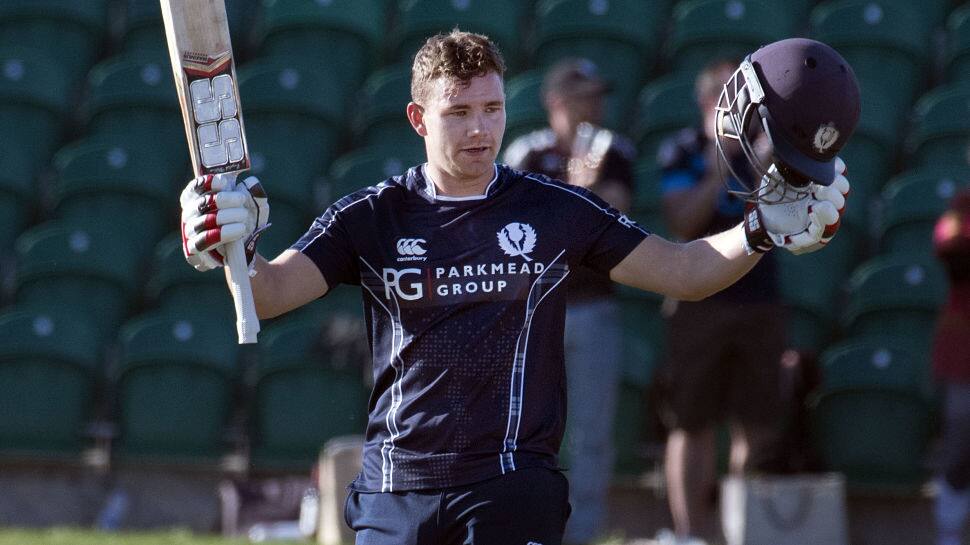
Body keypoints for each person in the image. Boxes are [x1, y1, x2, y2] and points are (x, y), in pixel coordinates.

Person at [177, 32, 858, 545]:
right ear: (419, 119)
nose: (480, 128)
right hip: (394, 490)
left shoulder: (554, 208)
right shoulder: (371, 215)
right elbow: (267, 293)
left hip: (511, 486)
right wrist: (225, 243)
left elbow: (682, 269)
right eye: (459, 112)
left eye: (493, 108)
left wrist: (758, 231)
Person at [651, 58, 786, 545]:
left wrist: (765, 162)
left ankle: (742, 532)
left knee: (757, 422)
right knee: (691, 421)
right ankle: (690, 534)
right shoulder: (682, 151)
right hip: (699, 301)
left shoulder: (768, 150)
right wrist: (715, 168)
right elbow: (682, 222)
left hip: (758, 299)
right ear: (711, 104)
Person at [501, 58, 636, 545]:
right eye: (585, 97)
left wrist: (585, 192)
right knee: (525, 427)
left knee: (593, 433)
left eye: (598, 97)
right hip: (534, 312)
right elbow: (512, 231)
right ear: (557, 103)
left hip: (593, 304)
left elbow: (618, 216)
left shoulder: (613, 151)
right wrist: (574, 195)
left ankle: (580, 535)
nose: (595, 107)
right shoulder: (527, 154)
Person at [932, 187, 970, 545]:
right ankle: (949, 527)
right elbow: (948, 245)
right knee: (960, 436)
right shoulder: (962, 206)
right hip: (964, 351)